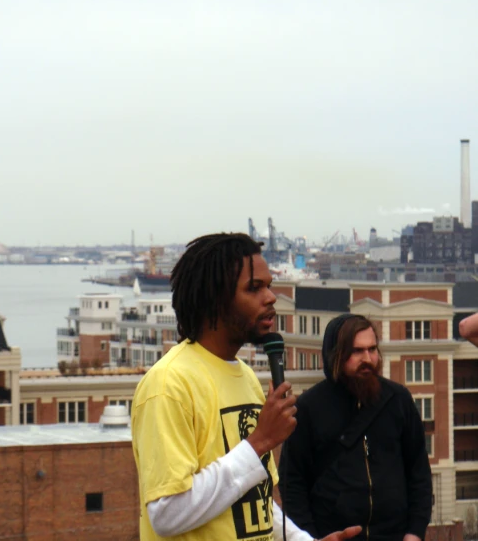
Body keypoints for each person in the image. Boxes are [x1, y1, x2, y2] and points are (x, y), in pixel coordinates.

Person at [131, 232, 361, 541]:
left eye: (269, 285)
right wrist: (260, 442)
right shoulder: (169, 384)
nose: (270, 297)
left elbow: (256, 498)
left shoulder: (248, 377)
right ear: (215, 299)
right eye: (254, 288)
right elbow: (167, 513)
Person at [279, 313, 432, 541]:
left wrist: (415, 532)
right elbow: (293, 485)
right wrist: (309, 537)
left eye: (372, 349)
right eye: (357, 351)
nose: (368, 359)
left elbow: (419, 473)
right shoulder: (309, 407)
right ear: (336, 355)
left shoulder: (397, 400)